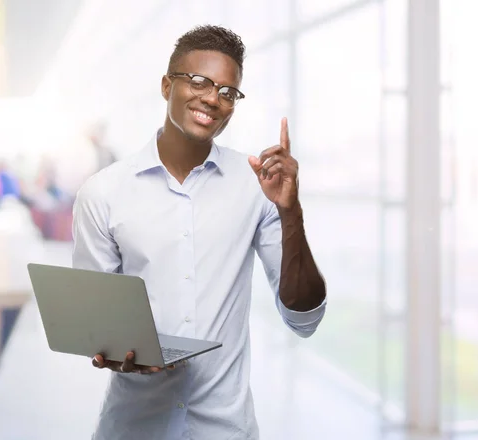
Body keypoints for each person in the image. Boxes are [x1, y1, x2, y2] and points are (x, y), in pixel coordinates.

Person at [72, 25, 327, 440]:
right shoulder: (102, 193)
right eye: (199, 81)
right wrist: (115, 353)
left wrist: (289, 210)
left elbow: (304, 316)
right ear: (166, 85)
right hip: (134, 427)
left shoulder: (254, 185)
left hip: (225, 429)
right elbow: (95, 327)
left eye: (228, 92)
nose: (213, 98)